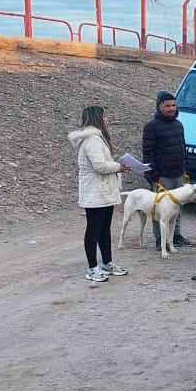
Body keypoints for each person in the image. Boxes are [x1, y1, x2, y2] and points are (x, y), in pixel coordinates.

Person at [67, 106, 130, 282]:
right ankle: (92, 268)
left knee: (104, 229)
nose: (107, 119)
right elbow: (100, 166)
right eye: (105, 116)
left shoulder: (95, 138)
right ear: (98, 119)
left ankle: (107, 263)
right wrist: (119, 166)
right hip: (95, 191)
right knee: (94, 230)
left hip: (103, 191)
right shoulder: (93, 140)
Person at [142, 91, 195, 249]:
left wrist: (186, 168)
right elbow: (148, 153)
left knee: (178, 207)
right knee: (159, 209)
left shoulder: (178, 125)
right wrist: (154, 175)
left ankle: (176, 236)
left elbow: (182, 148)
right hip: (162, 177)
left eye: (173, 105)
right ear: (160, 106)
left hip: (179, 174)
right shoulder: (151, 127)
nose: (172, 108)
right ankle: (160, 240)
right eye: (168, 106)